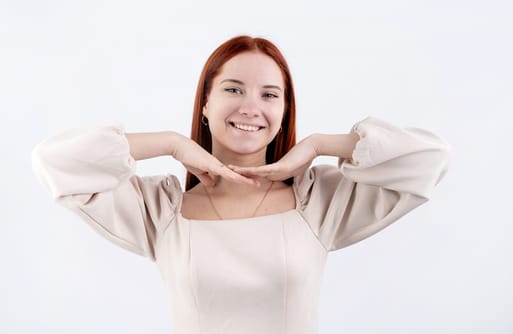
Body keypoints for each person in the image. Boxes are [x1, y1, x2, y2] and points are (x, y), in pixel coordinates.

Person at [32, 35, 451, 334]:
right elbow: (56, 160)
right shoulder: (159, 210)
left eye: (270, 95)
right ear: (206, 104)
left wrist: (320, 144)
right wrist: (171, 144)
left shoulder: (318, 201)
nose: (251, 107)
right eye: (234, 89)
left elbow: (429, 159)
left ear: (285, 112)